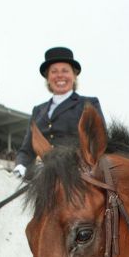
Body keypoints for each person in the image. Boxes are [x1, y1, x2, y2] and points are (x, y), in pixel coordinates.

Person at [14, 47, 105, 176]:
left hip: (77, 175)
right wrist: (20, 165)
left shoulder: (88, 104)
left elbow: (98, 142)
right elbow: (27, 150)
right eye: (54, 71)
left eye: (65, 71)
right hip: (42, 175)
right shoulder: (38, 110)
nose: (59, 75)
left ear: (74, 76)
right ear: (48, 78)